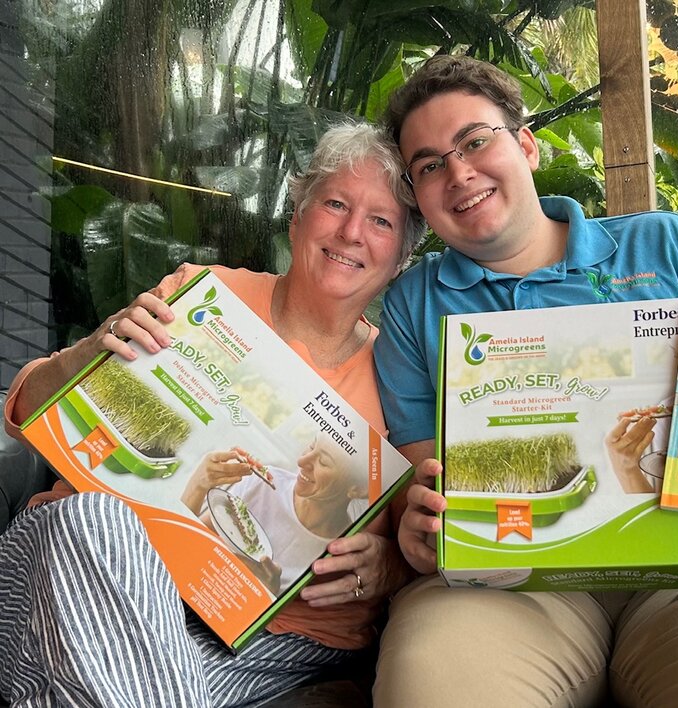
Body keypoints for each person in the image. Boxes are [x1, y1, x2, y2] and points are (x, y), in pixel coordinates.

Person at [371, 55, 678, 707]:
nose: (458, 173)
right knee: (432, 686)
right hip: (514, 576)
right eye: (429, 165)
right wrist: (421, 525)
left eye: (475, 141)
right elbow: (422, 477)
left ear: (527, 146)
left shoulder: (670, 246)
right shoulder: (413, 304)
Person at [0, 122, 425, 707]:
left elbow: (424, 539)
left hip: (270, 638)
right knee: (96, 520)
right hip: (86, 562)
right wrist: (88, 352)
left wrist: (388, 568)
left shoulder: (401, 377)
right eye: (335, 203)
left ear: (402, 256)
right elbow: (25, 407)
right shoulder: (202, 292)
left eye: (381, 221)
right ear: (298, 216)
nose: (352, 232)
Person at [183, 436, 368, 595]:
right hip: (193, 580)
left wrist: (267, 594)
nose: (302, 462)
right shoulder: (263, 482)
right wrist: (197, 486)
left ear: (359, 489)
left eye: (324, 462)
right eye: (311, 446)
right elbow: (185, 541)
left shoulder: (343, 555)